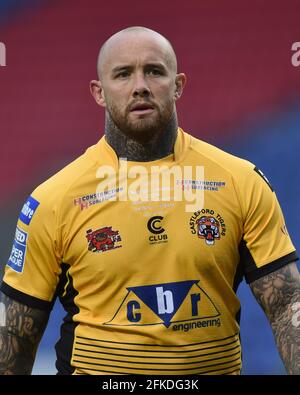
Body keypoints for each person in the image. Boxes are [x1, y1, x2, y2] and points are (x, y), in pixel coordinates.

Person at [0, 26, 299, 376]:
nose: (140, 85)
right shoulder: (54, 200)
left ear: (178, 85)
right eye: (123, 74)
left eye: (154, 71)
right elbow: (16, 332)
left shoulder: (240, 181)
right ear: (98, 92)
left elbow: (285, 303)